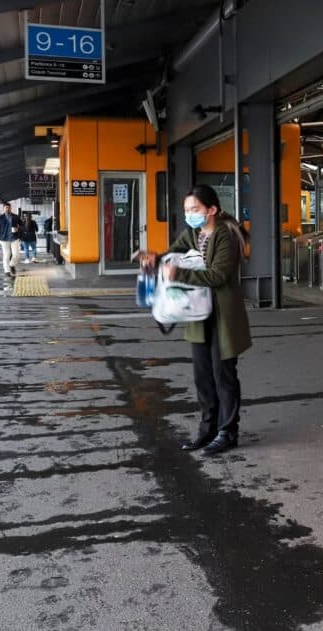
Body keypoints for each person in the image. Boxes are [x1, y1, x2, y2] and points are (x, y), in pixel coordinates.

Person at [139, 185, 252, 455]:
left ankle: (228, 432)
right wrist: (155, 259)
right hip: (198, 312)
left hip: (223, 314)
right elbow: (172, 252)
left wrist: (178, 274)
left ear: (211, 210)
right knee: (203, 376)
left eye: (195, 209)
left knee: (223, 375)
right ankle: (207, 429)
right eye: (187, 209)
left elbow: (218, 275)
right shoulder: (193, 232)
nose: (190, 214)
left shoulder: (226, 234)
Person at [0, 203, 19, 277]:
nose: (7, 209)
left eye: (9, 208)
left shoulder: (16, 217)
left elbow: (22, 225)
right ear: (3, 209)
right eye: (6, 208)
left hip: (14, 238)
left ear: (11, 208)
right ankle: (7, 271)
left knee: (16, 255)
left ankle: (12, 265)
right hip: (4, 239)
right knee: (6, 255)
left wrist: (18, 228)